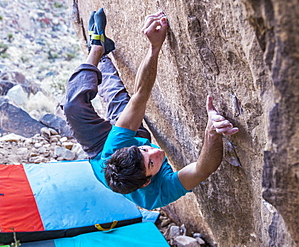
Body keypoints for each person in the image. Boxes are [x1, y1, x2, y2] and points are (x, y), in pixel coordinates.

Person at [62, 9, 239, 210]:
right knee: (116, 99)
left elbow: (140, 96)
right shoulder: (157, 194)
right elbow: (201, 169)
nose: (156, 152)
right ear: (147, 181)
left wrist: (154, 47)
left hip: (98, 149)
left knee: (73, 106)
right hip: (116, 152)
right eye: (151, 164)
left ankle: (97, 50)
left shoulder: (117, 150)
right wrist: (212, 133)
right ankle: (102, 55)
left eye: (145, 149)